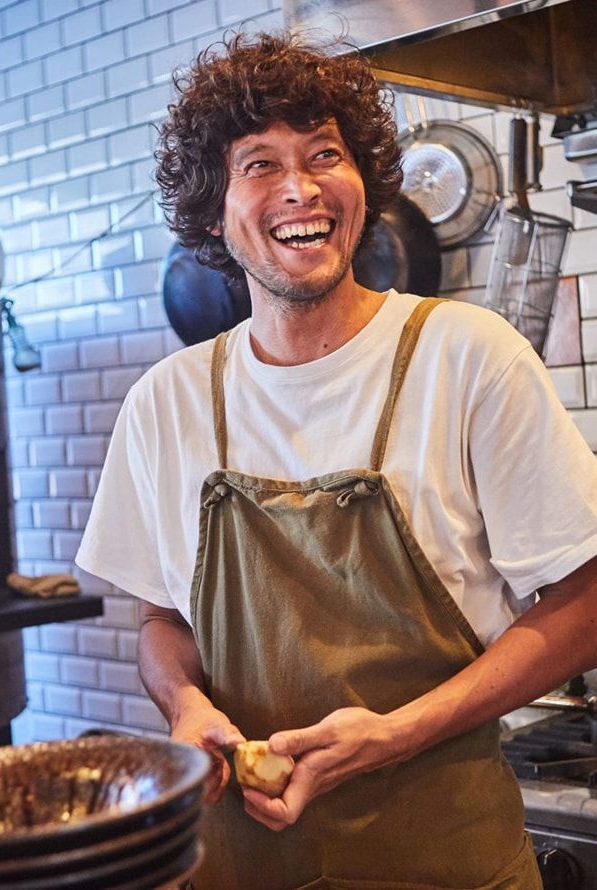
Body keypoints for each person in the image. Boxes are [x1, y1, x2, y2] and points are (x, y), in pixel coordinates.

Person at [75, 31, 597, 889]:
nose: (302, 187)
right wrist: (185, 703)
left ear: (363, 184)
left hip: (445, 858)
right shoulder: (166, 402)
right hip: (237, 864)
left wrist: (399, 731)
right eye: (260, 165)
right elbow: (164, 622)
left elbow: (582, 604)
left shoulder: (466, 357)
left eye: (326, 153)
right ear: (214, 209)